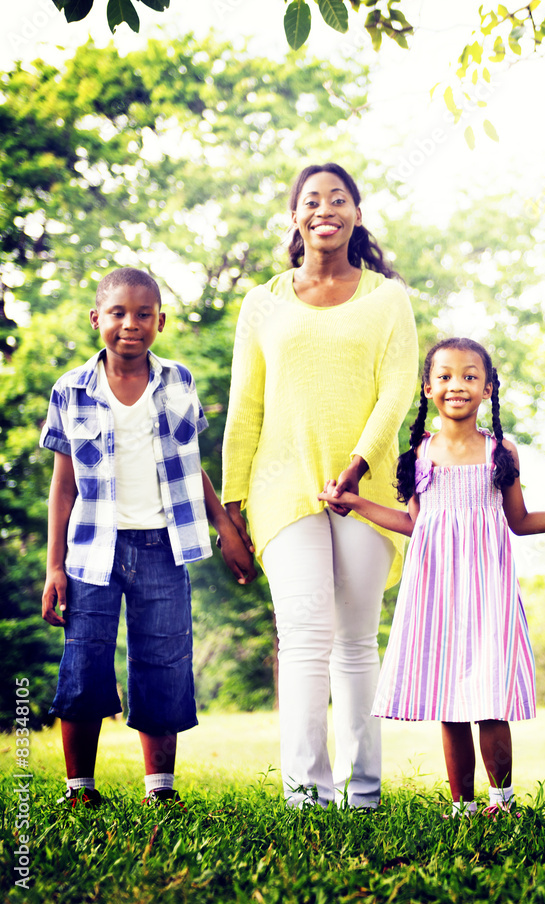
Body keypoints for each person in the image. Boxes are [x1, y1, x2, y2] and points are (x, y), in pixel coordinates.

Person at [320, 337, 545, 816]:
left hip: (487, 589)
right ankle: (464, 807)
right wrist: (356, 505)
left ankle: (503, 800)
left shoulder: (501, 452)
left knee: (489, 697)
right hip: (434, 590)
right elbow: (415, 523)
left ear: (488, 388)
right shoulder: (419, 454)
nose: (457, 385)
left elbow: (519, 522)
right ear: (428, 387)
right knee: (449, 699)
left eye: (470, 376)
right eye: (445, 376)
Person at [221, 163, 418, 809]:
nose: (324, 208)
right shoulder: (263, 302)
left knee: (357, 639)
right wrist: (230, 507)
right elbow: (244, 406)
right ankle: (306, 792)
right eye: (311, 200)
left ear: (356, 213)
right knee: (304, 633)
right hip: (281, 488)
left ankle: (363, 792)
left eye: (338, 198)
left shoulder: (387, 298)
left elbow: (398, 389)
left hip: (367, 489)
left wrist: (359, 464)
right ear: (296, 216)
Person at [40, 267, 256, 808]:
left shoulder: (178, 381)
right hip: (92, 550)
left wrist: (225, 527)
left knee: (163, 661)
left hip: (163, 546)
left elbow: (192, 467)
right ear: (97, 320)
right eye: (117, 313)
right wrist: (54, 567)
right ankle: (79, 789)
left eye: (143, 314)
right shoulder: (70, 389)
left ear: (160, 321)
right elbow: (62, 488)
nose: (130, 325)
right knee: (86, 660)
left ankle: (159, 788)